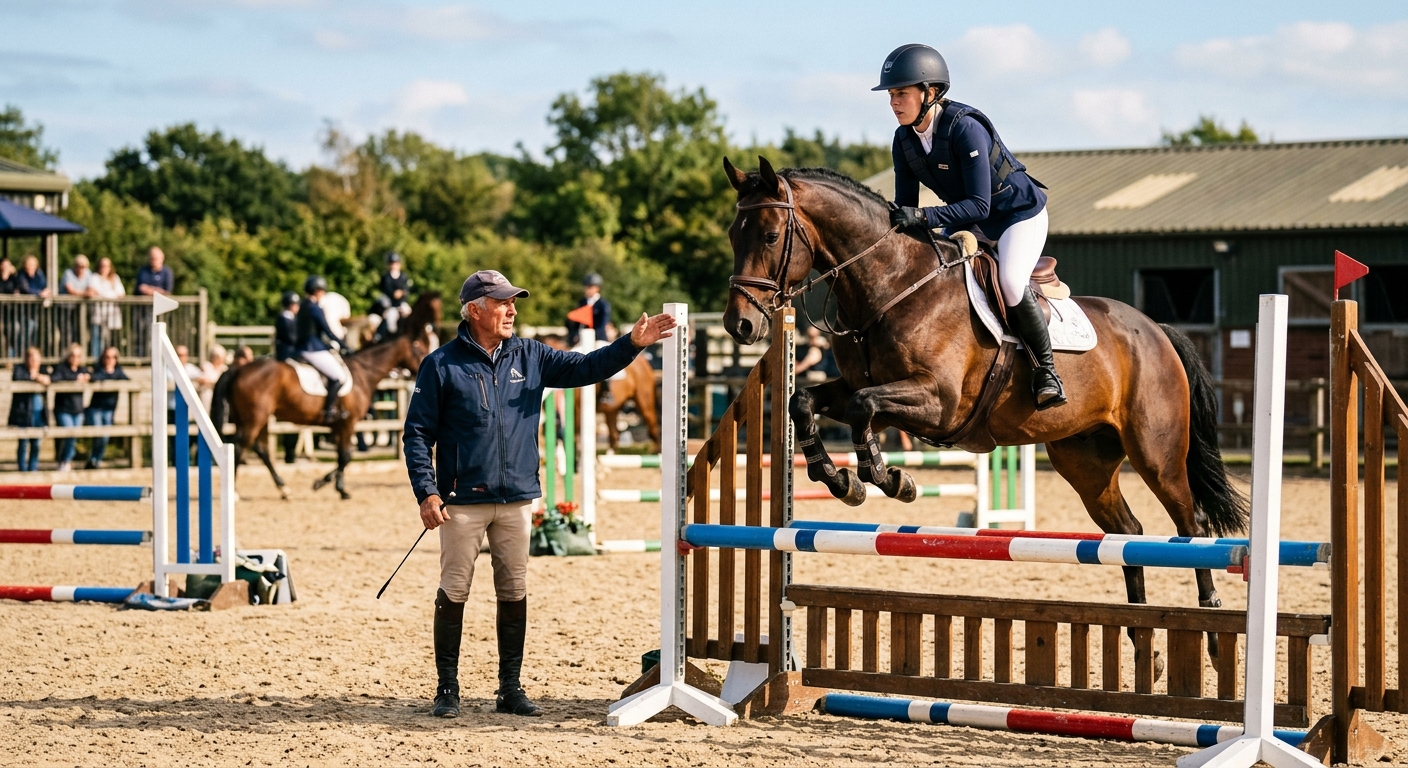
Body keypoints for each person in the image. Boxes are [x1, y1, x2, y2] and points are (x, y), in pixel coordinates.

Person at [403, 269, 676, 720]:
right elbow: (417, 434)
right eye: (502, 303)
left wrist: (633, 343)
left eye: (514, 302)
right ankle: (447, 689)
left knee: (514, 591)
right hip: (461, 502)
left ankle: (509, 687)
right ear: (474, 310)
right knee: (454, 591)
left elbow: (587, 368)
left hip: (516, 498)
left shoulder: (531, 355)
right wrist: (426, 491)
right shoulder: (441, 364)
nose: (512, 310)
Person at [878, 44, 1064, 410]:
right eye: (891, 94)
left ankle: (1047, 371)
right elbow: (907, 206)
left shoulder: (965, 128)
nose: (894, 102)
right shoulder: (903, 141)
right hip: (970, 221)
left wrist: (925, 218)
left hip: (1016, 216)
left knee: (1010, 282)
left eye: (901, 93)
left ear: (930, 92)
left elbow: (981, 204)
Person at [296, 275, 346, 424]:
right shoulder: (315, 308)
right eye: (322, 292)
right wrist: (343, 345)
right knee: (338, 377)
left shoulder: (302, 305)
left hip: (303, 347)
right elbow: (327, 330)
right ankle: (328, 409)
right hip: (313, 350)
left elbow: (313, 331)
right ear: (317, 291)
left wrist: (327, 344)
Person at [85, 345, 128, 469]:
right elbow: (94, 377)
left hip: (109, 409)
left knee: (105, 436)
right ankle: (93, 459)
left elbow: (128, 380)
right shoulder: (98, 369)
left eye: (113, 357)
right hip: (96, 408)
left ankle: (95, 460)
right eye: (107, 357)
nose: (109, 360)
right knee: (99, 434)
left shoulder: (118, 371)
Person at [50, 344, 91, 472]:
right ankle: (64, 461)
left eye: (78, 356)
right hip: (63, 409)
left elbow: (93, 375)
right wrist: (76, 378)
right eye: (72, 355)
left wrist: (87, 377)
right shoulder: (62, 368)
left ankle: (65, 460)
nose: (75, 358)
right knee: (70, 434)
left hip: (78, 409)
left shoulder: (82, 369)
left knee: (73, 436)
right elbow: (55, 378)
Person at [8, 346, 49, 471]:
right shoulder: (20, 370)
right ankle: (22, 469)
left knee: (36, 444)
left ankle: (33, 468)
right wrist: (36, 377)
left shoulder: (44, 370)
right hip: (23, 413)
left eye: (37, 358)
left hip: (39, 413)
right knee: (23, 443)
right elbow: (19, 378)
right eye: (32, 358)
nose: (34, 361)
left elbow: (50, 379)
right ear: (27, 359)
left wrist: (42, 377)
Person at [134, 247, 174, 356]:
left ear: (162, 258)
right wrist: (157, 291)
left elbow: (167, 291)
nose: (153, 260)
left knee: (158, 332)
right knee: (142, 331)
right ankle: (142, 355)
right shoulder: (143, 270)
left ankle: (157, 354)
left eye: (156, 258)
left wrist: (149, 289)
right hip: (142, 309)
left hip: (160, 310)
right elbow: (141, 288)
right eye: (152, 258)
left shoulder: (167, 272)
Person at [89, 257, 126, 360]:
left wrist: (105, 294)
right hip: (99, 313)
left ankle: (111, 359)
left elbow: (121, 293)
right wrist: (111, 295)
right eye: (102, 265)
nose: (104, 268)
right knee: (97, 338)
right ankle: (96, 360)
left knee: (111, 339)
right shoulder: (94, 277)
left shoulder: (115, 278)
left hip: (112, 314)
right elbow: (93, 292)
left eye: (106, 266)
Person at [60, 254, 97, 349]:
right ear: (74, 265)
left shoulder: (88, 273)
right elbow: (70, 290)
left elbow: (92, 289)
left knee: (80, 331)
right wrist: (84, 294)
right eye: (79, 266)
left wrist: (85, 293)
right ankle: (66, 352)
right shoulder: (68, 273)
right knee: (66, 332)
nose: (81, 268)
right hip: (65, 308)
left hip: (79, 308)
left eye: (83, 266)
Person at [565, 272, 610, 348]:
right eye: (586, 287)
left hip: (598, 339)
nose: (587, 290)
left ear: (597, 288)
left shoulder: (602, 304)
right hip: (583, 338)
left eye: (590, 287)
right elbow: (577, 323)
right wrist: (575, 335)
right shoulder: (582, 303)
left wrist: (593, 336)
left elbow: (602, 323)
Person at [377, 252, 412, 337]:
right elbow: (386, 289)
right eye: (392, 263)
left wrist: (402, 293)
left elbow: (406, 289)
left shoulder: (403, 276)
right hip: (390, 304)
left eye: (396, 263)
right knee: (390, 320)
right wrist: (394, 293)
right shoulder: (386, 277)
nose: (394, 265)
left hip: (401, 303)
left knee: (411, 314)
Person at [274, 290, 300, 362]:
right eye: (296, 305)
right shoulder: (284, 318)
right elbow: (291, 337)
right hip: (287, 352)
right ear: (290, 305)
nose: (298, 307)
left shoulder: (292, 317)